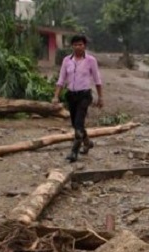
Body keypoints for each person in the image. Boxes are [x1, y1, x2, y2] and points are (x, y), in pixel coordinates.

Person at [52, 34, 104, 162]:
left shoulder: (91, 60)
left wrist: (101, 97)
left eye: (80, 44)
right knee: (76, 125)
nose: (78, 47)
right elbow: (61, 79)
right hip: (71, 95)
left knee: (79, 123)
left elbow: (97, 80)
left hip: (84, 96)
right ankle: (87, 143)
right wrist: (56, 96)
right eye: (75, 44)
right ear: (72, 46)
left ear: (84, 45)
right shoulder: (66, 60)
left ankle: (74, 152)